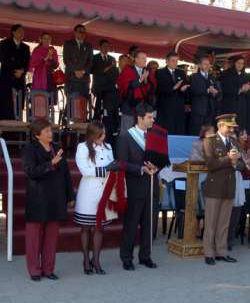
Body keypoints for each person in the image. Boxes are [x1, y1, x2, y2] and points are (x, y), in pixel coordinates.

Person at [22, 119, 75, 281]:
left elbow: (66, 173)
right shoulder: (30, 150)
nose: (50, 133)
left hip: (56, 199)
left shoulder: (57, 148)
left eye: (50, 130)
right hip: (38, 200)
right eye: (46, 131)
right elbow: (31, 172)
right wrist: (50, 163)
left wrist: (70, 196)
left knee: (51, 238)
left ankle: (48, 269)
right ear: (37, 135)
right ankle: (34, 270)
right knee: (33, 238)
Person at [118, 104, 159, 271]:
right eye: (149, 117)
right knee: (131, 223)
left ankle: (145, 256)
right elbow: (122, 163)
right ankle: (126, 257)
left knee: (149, 223)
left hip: (151, 184)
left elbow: (161, 158)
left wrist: (157, 167)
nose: (152, 120)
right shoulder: (125, 137)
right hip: (135, 186)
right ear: (140, 118)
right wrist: (140, 169)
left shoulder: (154, 136)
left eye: (152, 117)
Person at [202, 114, 245, 265]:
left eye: (232, 127)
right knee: (211, 222)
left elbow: (242, 165)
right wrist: (229, 158)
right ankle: (209, 253)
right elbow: (211, 164)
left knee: (224, 222)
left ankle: (221, 251)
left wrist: (234, 163)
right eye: (229, 127)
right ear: (220, 126)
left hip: (229, 186)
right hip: (215, 187)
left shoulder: (233, 141)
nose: (231, 129)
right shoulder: (209, 141)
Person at [74, 121, 116, 275]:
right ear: (92, 135)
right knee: (85, 227)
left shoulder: (108, 147)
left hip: (104, 191)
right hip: (88, 192)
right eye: (100, 135)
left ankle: (96, 260)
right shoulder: (83, 147)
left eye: (104, 134)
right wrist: (106, 169)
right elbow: (85, 170)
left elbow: (112, 165)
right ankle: (86, 259)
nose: (103, 137)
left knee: (99, 227)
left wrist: (114, 168)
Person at [117, 50, 157, 134]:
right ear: (136, 59)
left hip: (143, 108)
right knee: (126, 133)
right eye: (143, 58)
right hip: (130, 107)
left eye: (145, 59)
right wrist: (140, 80)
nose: (145, 61)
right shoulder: (128, 69)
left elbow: (153, 87)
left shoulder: (147, 71)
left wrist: (146, 81)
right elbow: (125, 86)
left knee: (141, 134)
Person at [91, 40, 119, 146]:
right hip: (98, 88)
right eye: (104, 46)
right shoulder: (95, 57)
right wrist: (105, 69)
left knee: (108, 113)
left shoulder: (112, 59)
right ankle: (94, 132)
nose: (106, 48)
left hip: (109, 90)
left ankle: (107, 134)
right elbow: (93, 70)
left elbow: (115, 73)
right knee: (97, 112)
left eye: (108, 46)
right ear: (100, 47)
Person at [0, 24, 30, 120]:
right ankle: (5, 131)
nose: (22, 33)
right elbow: (3, 59)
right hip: (6, 79)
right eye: (20, 31)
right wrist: (14, 71)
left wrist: (22, 71)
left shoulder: (26, 47)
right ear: (13, 32)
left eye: (23, 32)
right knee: (6, 105)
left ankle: (17, 131)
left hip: (19, 80)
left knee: (18, 106)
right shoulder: (4, 44)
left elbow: (27, 63)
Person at [155, 51, 188, 135]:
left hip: (178, 108)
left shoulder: (181, 72)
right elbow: (159, 89)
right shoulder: (160, 72)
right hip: (165, 108)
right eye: (173, 60)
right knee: (166, 130)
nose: (175, 63)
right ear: (167, 61)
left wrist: (183, 89)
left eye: (176, 61)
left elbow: (185, 86)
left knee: (178, 130)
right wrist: (173, 88)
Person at [227, 129, 249, 251]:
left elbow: (242, 165)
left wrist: (235, 163)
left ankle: (229, 240)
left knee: (235, 212)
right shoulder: (219, 146)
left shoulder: (238, 148)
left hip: (236, 180)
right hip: (224, 180)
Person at [190, 56, 221, 136]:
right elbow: (193, 91)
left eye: (208, 64)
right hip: (198, 110)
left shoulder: (212, 78)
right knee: (197, 132)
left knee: (208, 133)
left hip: (210, 111)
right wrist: (207, 91)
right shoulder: (194, 77)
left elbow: (218, 92)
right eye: (205, 64)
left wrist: (215, 93)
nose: (207, 66)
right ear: (200, 65)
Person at [63, 24, 94, 98]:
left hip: (84, 79)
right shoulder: (68, 43)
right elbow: (66, 60)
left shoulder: (88, 45)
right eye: (80, 31)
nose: (82, 34)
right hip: (71, 78)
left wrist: (83, 71)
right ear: (75, 32)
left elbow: (91, 61)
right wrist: (75, 71)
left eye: (84, 32)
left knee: (82, 103)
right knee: (71, 103)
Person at [220, 56, 250, 129]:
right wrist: (240, 90)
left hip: (241, 106)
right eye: (238, 63)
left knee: (240, 127)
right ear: (234, 63)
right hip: (229, 105)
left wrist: (247, 89)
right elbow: (224, 88)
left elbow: (248, 91)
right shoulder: (226, 73)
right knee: (229, 127)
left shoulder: (245, 75)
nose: (240, 65)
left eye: (242, 63)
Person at [29, 32, 59, 104]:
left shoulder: (53, 50)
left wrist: (51, 58)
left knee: (49, 101)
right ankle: (37, 114)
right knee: (39, 99)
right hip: (39, 76)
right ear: (41, 39)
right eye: (45, 38)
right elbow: (32, 63)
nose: (47, 40)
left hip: (50, 76)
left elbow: (56, 65)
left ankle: (48, 115)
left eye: (48, 38)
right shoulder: (37, 50)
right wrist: (45, 59)